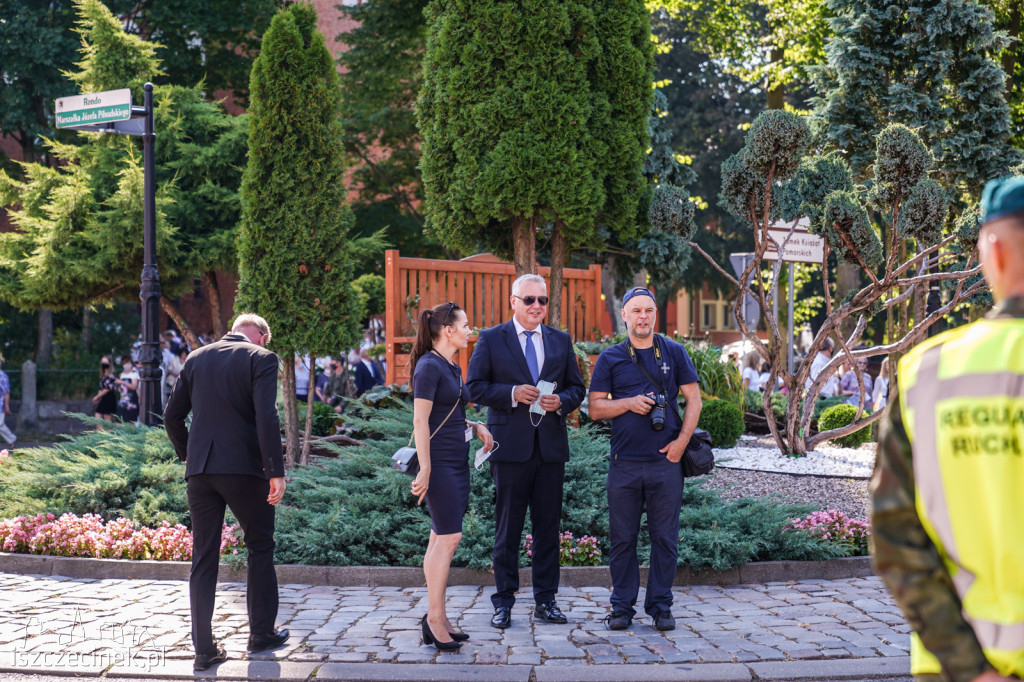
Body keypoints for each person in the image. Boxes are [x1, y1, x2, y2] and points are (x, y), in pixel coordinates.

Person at [871, 175, 1024, 682]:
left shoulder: (928, 374)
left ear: (994, 252)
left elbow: (895, 533)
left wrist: (971, 669)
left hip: (956, 669)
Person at [163, 313, 289, 671]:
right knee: (260, 545)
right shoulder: (262, 358)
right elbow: (267, 416)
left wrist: (191, 456)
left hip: (200, 472)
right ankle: (261, 633)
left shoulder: (197, 357)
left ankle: (204, 649)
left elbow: (172, 417)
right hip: (245, 469)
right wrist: (274, 471)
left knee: (203, 555)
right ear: (260, 336)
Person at [467, 274, 586, 630]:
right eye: (530, 299)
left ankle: (546, 600)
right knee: (508, 529)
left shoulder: (561, 341)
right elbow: (474, 387)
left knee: (548, 529)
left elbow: (577, 388)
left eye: (543, 300)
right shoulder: (491, 339)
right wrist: (512, 393)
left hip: (550, 450)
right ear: (513, 301)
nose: (537, 306)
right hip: (509, 449)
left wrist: (560, 402)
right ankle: (503, 601)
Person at [588, 286, 702, 632]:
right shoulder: (610, 358)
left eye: (648, 311)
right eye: (636, 310)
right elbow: (595, 409)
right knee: (622, 539)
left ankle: (660, 606)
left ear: (655, 314)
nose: (643, 317)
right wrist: (628, 402)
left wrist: (682, 442)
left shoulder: (674, 351)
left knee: (665, 539)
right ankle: (621, 608)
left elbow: (694, 402)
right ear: (623, 314)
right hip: (623, 463)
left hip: (665, 464)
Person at [410, 302, 494, 651]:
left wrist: (475, 426)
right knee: (448, 539)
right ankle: (433, 618)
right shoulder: (428, 366)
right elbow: (420, 421)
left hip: (457, 459)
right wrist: (426, 468)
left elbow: (451, 413)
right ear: (448, 331)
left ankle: (439, 616)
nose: (469, 330)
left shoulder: (450, 365)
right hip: (440, 463)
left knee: (439, 538)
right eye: (465, 325)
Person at [92, 356, 118, 422]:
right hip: (103, 399)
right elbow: (101, 388)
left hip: (110, 399)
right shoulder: (103, 376)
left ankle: (107, 432)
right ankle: (100, 432)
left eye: (105, 362)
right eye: (102, 362)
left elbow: (108, 388)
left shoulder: (112, 375)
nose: (104, 364)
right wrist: (98, 397)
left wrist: (97, 396)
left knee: (107, 421)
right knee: (97, 416)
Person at [116, 357, 140, 423]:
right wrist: (120, 388)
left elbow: (134, 387)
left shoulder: (134, 374)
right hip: (123, 400)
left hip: (132, 400)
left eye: (128, 363)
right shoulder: (122, 374)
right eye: (125, 363)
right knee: (119, 420)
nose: (126, 365)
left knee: (131, 421)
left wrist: (123, 382)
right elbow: (122, 387)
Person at [0, 355, 16, 447]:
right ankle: (12, 440)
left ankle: (12, 439)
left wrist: (6, 405)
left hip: (0, 404)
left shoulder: (2, 376)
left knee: (0, 425)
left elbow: (6, 392)